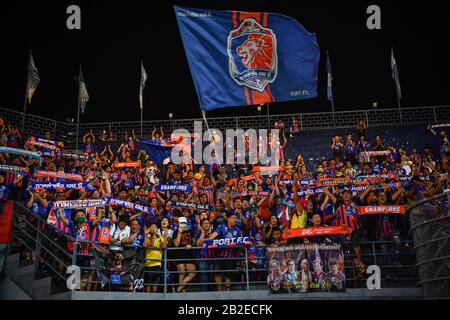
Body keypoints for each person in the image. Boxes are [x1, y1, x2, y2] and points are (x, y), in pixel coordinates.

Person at [172, 216, 196, 292]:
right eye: (181, 223)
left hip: (189, 254)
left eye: (184, 223)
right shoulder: (175, 232)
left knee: (192, 272)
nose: (183, 224)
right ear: (178, 223)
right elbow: (176, 244)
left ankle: (179, 288)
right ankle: (182, 291)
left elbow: (194, 242)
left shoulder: (190, 231)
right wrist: (179, 233)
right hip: (179, 254)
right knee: (182, 273)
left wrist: (191, 245)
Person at [143, 222, 167, 293]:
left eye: (155, 227)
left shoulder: (160, 237)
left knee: (155, 284)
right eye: (152, 227)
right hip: (149, 264)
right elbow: (150, 244)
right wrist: (149, 234)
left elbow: (164, 246)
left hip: (157, 264)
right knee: (148, 285)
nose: (153, 228)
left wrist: (165, 236)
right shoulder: (147, 236)